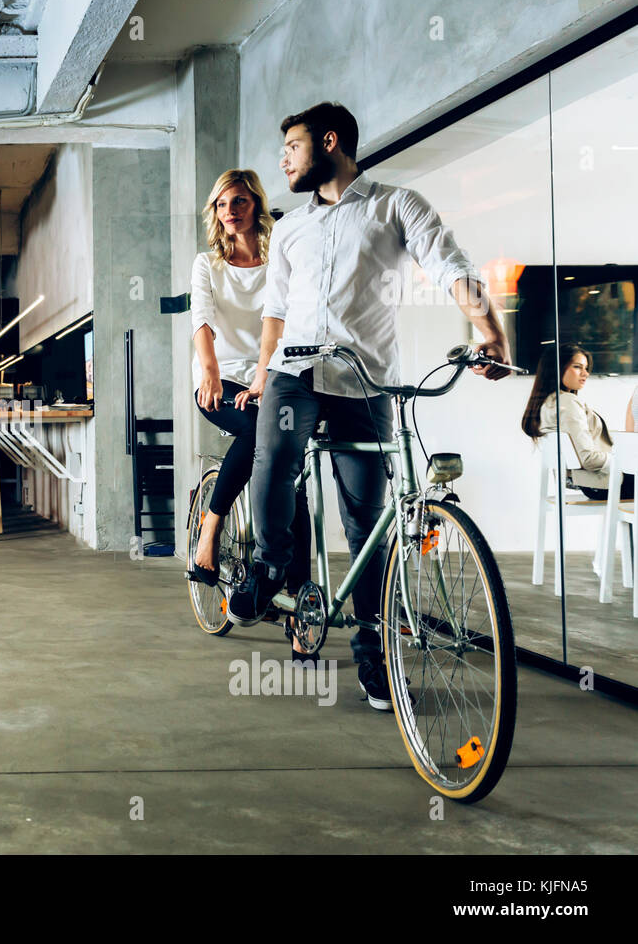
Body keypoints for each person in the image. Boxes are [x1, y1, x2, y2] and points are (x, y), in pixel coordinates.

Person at [225, 101, 512, 711]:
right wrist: (258, 376)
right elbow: (274, 313)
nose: (283, 160)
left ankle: (374, 657)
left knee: (367, 527)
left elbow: (446, 261)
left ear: (330, 142)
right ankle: (270, 566)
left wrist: (486, 325)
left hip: (367, 381)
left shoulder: (396, 205)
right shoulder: (292, 230)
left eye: (293, 147)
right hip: (295, 373)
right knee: (271, 459)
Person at [185, 169, 314, 658]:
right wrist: (212, 372)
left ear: (255, 204)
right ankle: (211, 528)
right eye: (221, 204)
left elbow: (276, 322)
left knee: (289, 481)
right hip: (219, 380)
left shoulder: (276, 255)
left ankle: (301, 608)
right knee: (265, 445)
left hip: (270, 376)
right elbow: (202, 320)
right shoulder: (208, 265)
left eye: (238, 201)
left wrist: (265, 378)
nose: (230, 211)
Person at [523, 343, 633, 499]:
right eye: (577, 367)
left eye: (586, 368)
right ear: (557, 368)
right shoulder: (567, 403)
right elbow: (588, 459)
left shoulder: (549, 403)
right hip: (602, 484)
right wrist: (624, 460)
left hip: (593, 484)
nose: (585, 373)